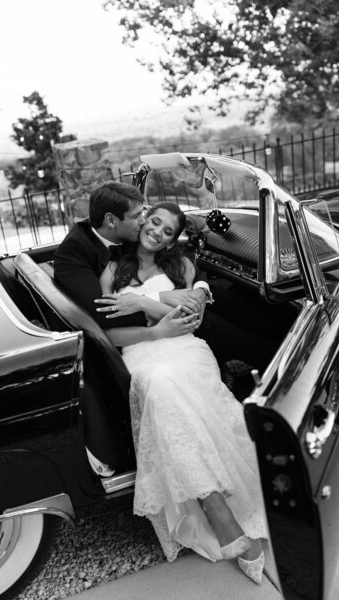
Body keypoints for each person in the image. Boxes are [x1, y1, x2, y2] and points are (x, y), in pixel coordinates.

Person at [97, 201, 268, 585]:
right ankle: (217, 509)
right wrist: (154, 327)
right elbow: (109, 331)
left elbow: (190, 316)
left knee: (176, 383)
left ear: (175, 239)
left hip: (185, 348)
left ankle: (222, 506)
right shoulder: (113, 269)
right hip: (140, 351)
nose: (157, 232)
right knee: (159, 385)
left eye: (168, 231)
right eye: (154, 222)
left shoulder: (183, 268)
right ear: (144, 221)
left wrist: (142, 301)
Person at [54, 180, 210, 336]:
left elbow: (182, 261)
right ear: (110, 220)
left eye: (142, 213)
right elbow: (102, 313)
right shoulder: (73, 252)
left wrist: (201, 290)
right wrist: (158, 298)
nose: (143, 221)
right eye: (136, 216)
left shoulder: (129, 233)